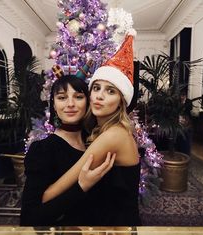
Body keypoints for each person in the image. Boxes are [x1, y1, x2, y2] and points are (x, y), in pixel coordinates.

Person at [42, 34, 142, 226]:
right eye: (96, 88)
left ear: (121, 101)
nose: (100, 96)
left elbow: (49, 195)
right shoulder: (103, 129)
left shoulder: (113, 135)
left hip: (118, 227)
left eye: (111, 91)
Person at [20, 74, 115, 226]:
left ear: (88, 102)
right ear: (54, 104)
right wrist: (81, 186)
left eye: (78, 97)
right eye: (62, 97)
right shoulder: (43, 150)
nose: (70, 104)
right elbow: (29, 218)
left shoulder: (96, 141)